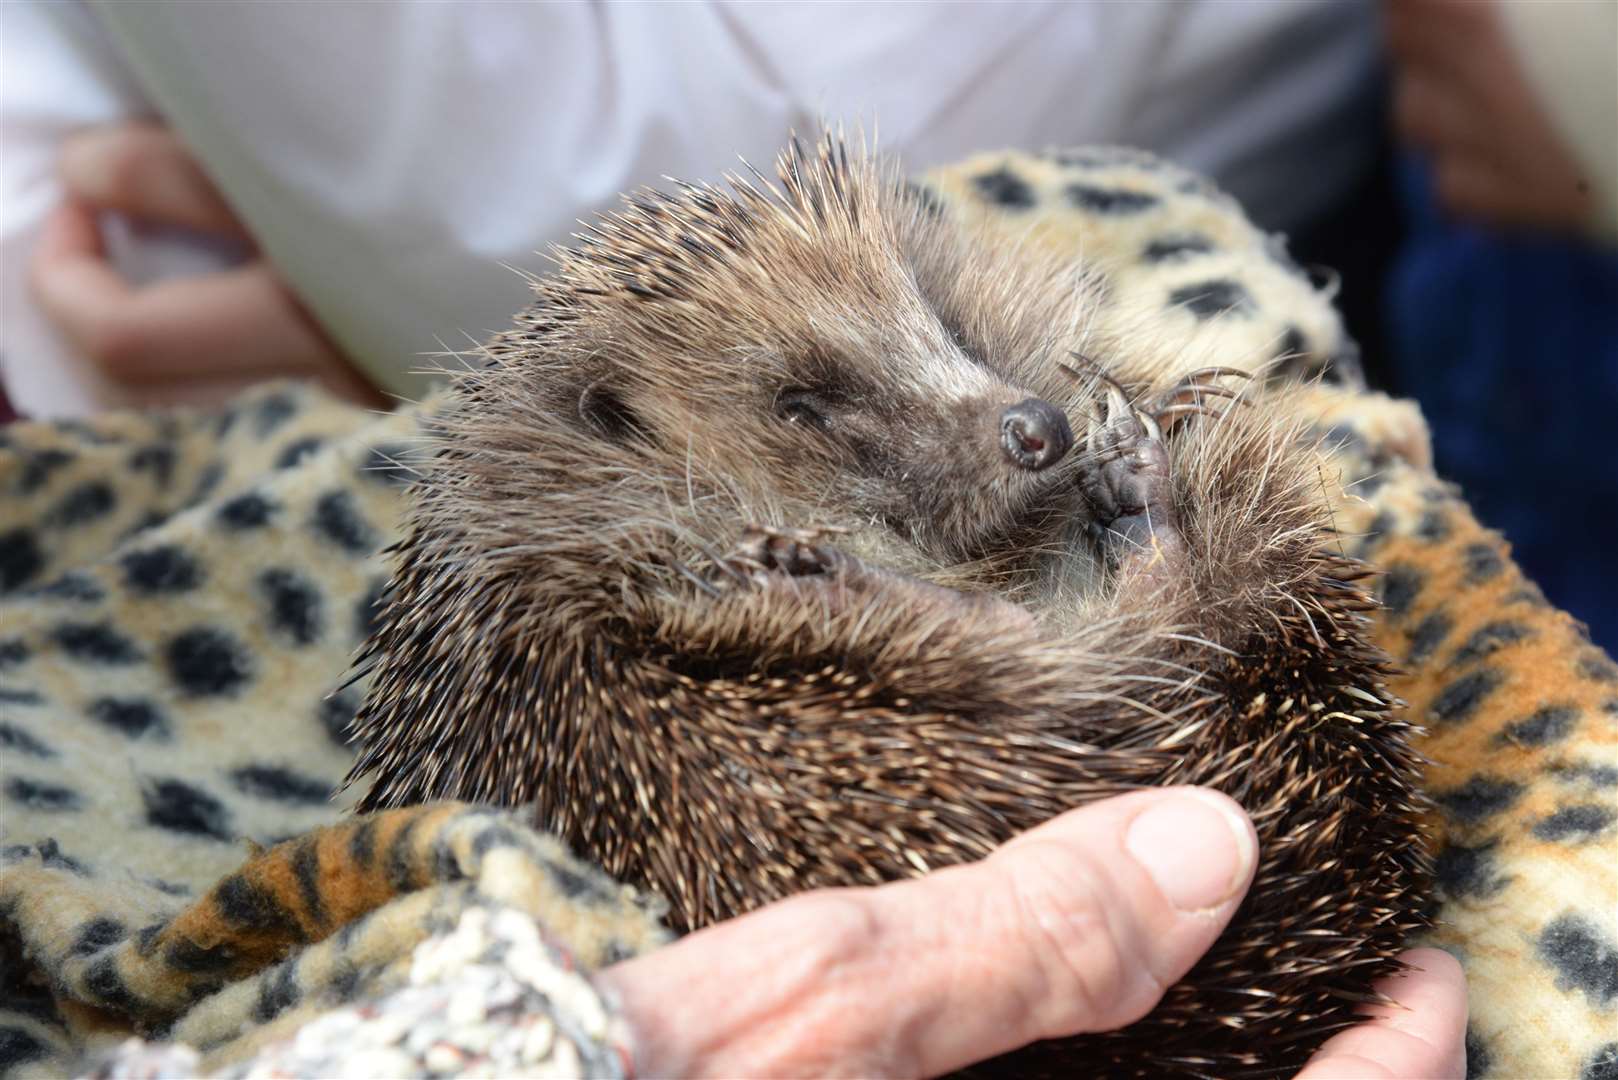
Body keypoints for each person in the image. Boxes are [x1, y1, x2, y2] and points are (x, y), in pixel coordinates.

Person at [0, 5, 1469, 1073]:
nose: (1001, 409)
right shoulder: (589, 622)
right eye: (822, 405)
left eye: (943, 334)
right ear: (619, 431)